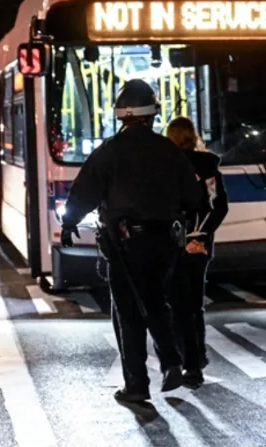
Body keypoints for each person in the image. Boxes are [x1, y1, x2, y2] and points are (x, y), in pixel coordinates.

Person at [60, 79, 203, 403]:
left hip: (124, 243)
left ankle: (138, 383)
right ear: (152, 115)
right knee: (156, 301)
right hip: (166, 243)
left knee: (127, 311)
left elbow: (83, 192)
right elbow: (193, 199)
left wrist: (69, 223)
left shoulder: (109, 151)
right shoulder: (169, 150)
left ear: (122, 115)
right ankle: (171, 361)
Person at [165, 117, 229, 389]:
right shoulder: (209, 167)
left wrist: (182, 241)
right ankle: (198, 355)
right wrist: (202, 237)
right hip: (201, 245)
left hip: (175, 245)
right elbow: (219, 206)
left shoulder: (166, 166)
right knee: (194, 302)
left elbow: (169, 209)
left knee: (177, 306)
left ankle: (188, 363)